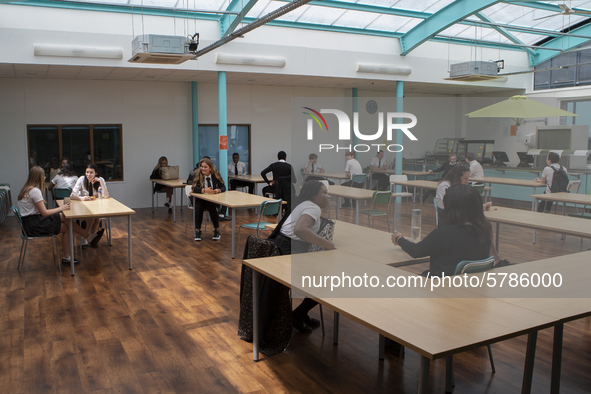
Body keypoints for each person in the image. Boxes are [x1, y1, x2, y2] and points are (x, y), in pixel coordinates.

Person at [271, 180, 334, 333]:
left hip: (280, 248)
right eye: (324, 193)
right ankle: (298, 315)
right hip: (290, 252)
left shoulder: (304, 203)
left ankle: (301, 314)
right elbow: (300, 229)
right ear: (313, 195)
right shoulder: (313, 208)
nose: (327, 196)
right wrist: (327, 244)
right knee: (324, 282)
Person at [392, 184, 494, 277]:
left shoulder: (444, 234)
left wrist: (399, 239)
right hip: (472, 287)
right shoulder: (485, 230)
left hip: (441, 286)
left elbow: (415, 251)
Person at [18, 166, 91, 265]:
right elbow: (44, 213)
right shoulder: (35, 191)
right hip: (35, 226)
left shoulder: (26, 190)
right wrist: (61, 208)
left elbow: (42, 213)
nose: (44, 178)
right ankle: (69, 255)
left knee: (64, 217)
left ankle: (87, 237)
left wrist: (61, 209)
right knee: (66, 227)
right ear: (39, 177)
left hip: (30, 224)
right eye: (43, 176)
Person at [71, 163, 109, 247]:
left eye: (91, 172)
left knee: (97, 219)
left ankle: (92, 238)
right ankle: (86, 238)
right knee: (92, 217)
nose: (88, 174)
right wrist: (83, 198)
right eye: (87, 172)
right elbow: (72, 196)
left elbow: (106, 196)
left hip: (96, 206)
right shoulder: (81, 179)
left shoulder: (100, 180)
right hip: (83, 206)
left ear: (96, 173)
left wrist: (101, 182)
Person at [192, 158, 226, 241]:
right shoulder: (198, 174)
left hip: (212, 199)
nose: (203, 169)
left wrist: (218, 190)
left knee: (212, 207)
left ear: (210, 168)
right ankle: (197, 231)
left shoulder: (216, 174)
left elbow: (223, 187)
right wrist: (203, 190)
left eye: (205, 167)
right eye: (202, 166)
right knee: (198, 207)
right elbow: (194, 188)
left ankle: (217, 230)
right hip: (200, 199)